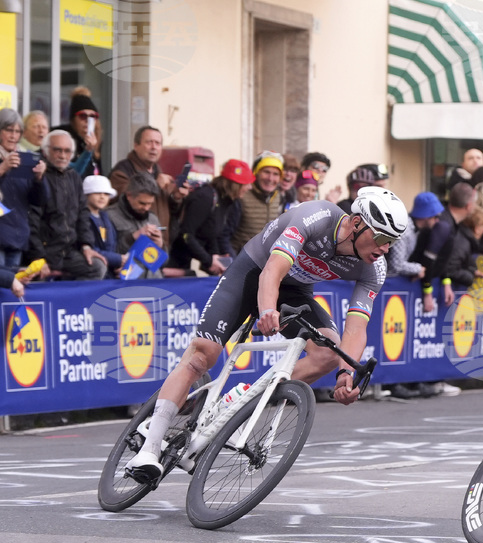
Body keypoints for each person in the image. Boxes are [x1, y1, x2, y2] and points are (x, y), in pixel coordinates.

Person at [125, 187, 409, 482]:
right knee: (202, 355)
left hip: (295, 291)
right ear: (356, 223)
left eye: (392, 242)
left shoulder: (374, 267)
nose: (385, 248)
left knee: (328, 352)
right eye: (381, 238)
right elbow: (271, 271)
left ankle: (243, 399)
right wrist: (267, 310)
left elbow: (356, 327)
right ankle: (149, 447)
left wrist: (345, 375)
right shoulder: (315, 217)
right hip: (252, 273)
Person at [27, 130, 106, 280]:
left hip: (69, 252)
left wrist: (86, 246)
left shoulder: (74, 177)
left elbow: (83, 215)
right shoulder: (37, 176)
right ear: (45, 151)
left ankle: (81, 303)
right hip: (43, 252)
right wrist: (38, 257)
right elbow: (32, 222)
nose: (63, 156)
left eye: (67, 151)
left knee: (97, 267)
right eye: (57, 150)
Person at [167, 159, 254, 276]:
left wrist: (215, 257)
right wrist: (208, 260)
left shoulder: (226, 201)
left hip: (187, 260)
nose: (250, 187)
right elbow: (186, 234)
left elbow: (211, 233)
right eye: (246, 183)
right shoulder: (205, 198)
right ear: (235, 185)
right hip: (172, 260)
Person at [108, 125, 188, 249]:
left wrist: (176, 197)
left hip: (157, 244)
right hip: (129, 244)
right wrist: (154, 184)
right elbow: (119, 197)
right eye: (149, 142)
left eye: (158, 143)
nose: (153, 147)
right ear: (136, 145)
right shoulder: (123, 170)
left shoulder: (159, 172)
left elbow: (172, 212)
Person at [414, 182, 476, 311]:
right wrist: (427, 292)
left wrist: (446, 281)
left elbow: (442, 258)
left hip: (423, 274)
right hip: (413, 275)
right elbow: (428, 259)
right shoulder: (443, 224)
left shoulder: (448, 221)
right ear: (469, 205)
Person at [0, 108, 47, 269]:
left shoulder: (24, 158)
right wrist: (3, 168)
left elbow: (38, 201)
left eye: (17, 131)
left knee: (11, 290)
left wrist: (39, 180)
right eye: (9, 130)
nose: (13, 136)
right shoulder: (6, 162)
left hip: (17, 236)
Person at [230, 151, 284, 253]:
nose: (270, 178)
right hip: (239, 258)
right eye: (266, 172)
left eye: (276, 174)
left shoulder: (279, 197)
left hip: (264, 261)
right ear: (256, 173)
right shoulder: (242, 196)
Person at [107, 172, 165, 267]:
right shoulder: (109, 216)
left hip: (152, 278)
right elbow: (107, 253)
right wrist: (133, 237)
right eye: (142, 203)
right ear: (129, 196)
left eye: (150, 204)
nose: (146, 208)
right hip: (126, 279)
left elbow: (162, 264)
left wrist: (160, 246)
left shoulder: (152, 218)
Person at [82, 175, 124, 277]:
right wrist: (118, 259)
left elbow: (113, 246)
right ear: (86, 194)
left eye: (106, 194)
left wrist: (119, 264)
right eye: (97, 193)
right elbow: (91, 249)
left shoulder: (106, 217)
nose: (102, 196)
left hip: (110, 272)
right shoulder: (82, 218)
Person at [54, 87, 102, 177]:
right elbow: (72, 173)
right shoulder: (65, 139)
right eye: (83, 116)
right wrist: (88, 150)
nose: (88, 120)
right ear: (74, 119)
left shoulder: (96, 140)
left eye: (92, 116)